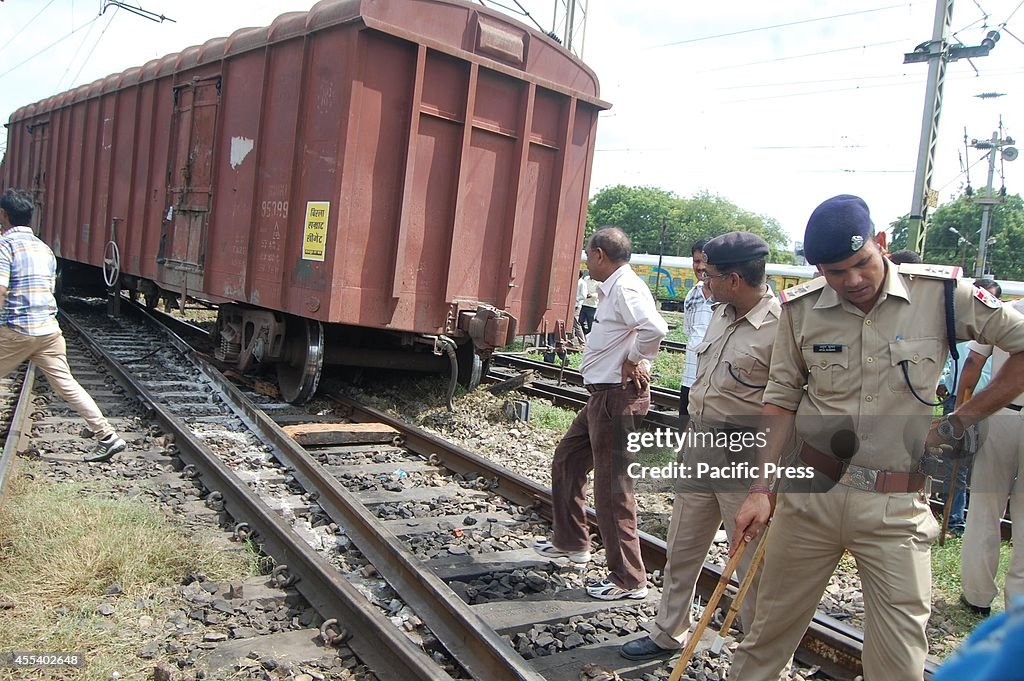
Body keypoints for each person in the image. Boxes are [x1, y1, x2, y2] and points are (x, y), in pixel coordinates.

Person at [728, 194, 1024, 681]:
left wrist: (960, 420)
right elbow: (780, 399)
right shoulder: (800, 310)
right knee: (765, 638)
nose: (853, 281)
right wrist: (760, 489)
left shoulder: (945, 297)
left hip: (896, 510)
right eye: (835, 272)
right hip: (810, 500)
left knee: (899, 657)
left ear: (881, 243)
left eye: (861, 263)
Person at [620, 232, 781, 661]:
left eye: (708, 275)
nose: (702, 281)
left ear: (733, 278)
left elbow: (785, 408)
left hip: (743, 460)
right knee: (683, 548)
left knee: (749, 564)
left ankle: (757, 657)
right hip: (699, 446)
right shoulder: (720, 311)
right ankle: (668, 633)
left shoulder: (782, 327)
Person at [534, 226, 668, 600]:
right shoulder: (615, 287)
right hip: (603, 398)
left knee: (613, 491)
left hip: (616, 398)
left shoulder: (624, 288)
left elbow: (655, 328)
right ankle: (572, 542)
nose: (586, 261)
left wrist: (634, 359)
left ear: (599, 255)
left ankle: (629, 579)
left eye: (587, 254)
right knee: (568, 459)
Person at [0, 189, 127, 463]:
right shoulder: (43, 248)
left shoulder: (5, 247)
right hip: (48, 331)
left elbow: (1, 289)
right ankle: (108, 436)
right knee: (67, 385)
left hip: (18, 330)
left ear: (3, 216)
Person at [956, 295, 1024, 616]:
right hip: (1004, 413)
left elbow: (972, 366)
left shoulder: (1007, 311)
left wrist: (960, 415)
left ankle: (977, 595)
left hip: (1000, 415)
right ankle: (1019, 605)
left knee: (984, 507)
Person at [935, 277, 1001, 537]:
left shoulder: (998, 328)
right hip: (955, 400)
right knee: (955, 465)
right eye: (979, 295)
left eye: (989, 297)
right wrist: (943, 383)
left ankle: (962, 522)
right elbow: (950, 361)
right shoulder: (958, 326)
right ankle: (954, 521)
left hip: (988, 404)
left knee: (983, 466)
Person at [680, 238, 713, 427]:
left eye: (704, 261)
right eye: (695, 261)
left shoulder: (727, 299)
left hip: (713, 382)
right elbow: (690, 333)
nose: (699, 267)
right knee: (684, 434)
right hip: (689, 377)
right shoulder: (691, 295)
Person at [579, 270, 599, 334]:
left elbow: (599, 293)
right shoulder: (586, 279)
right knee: (580, 321)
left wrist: (592, 295)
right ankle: (584, 334)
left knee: (590, 323)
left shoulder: (598, 281)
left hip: (592, 305)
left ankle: (589, 335)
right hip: (584, 303)